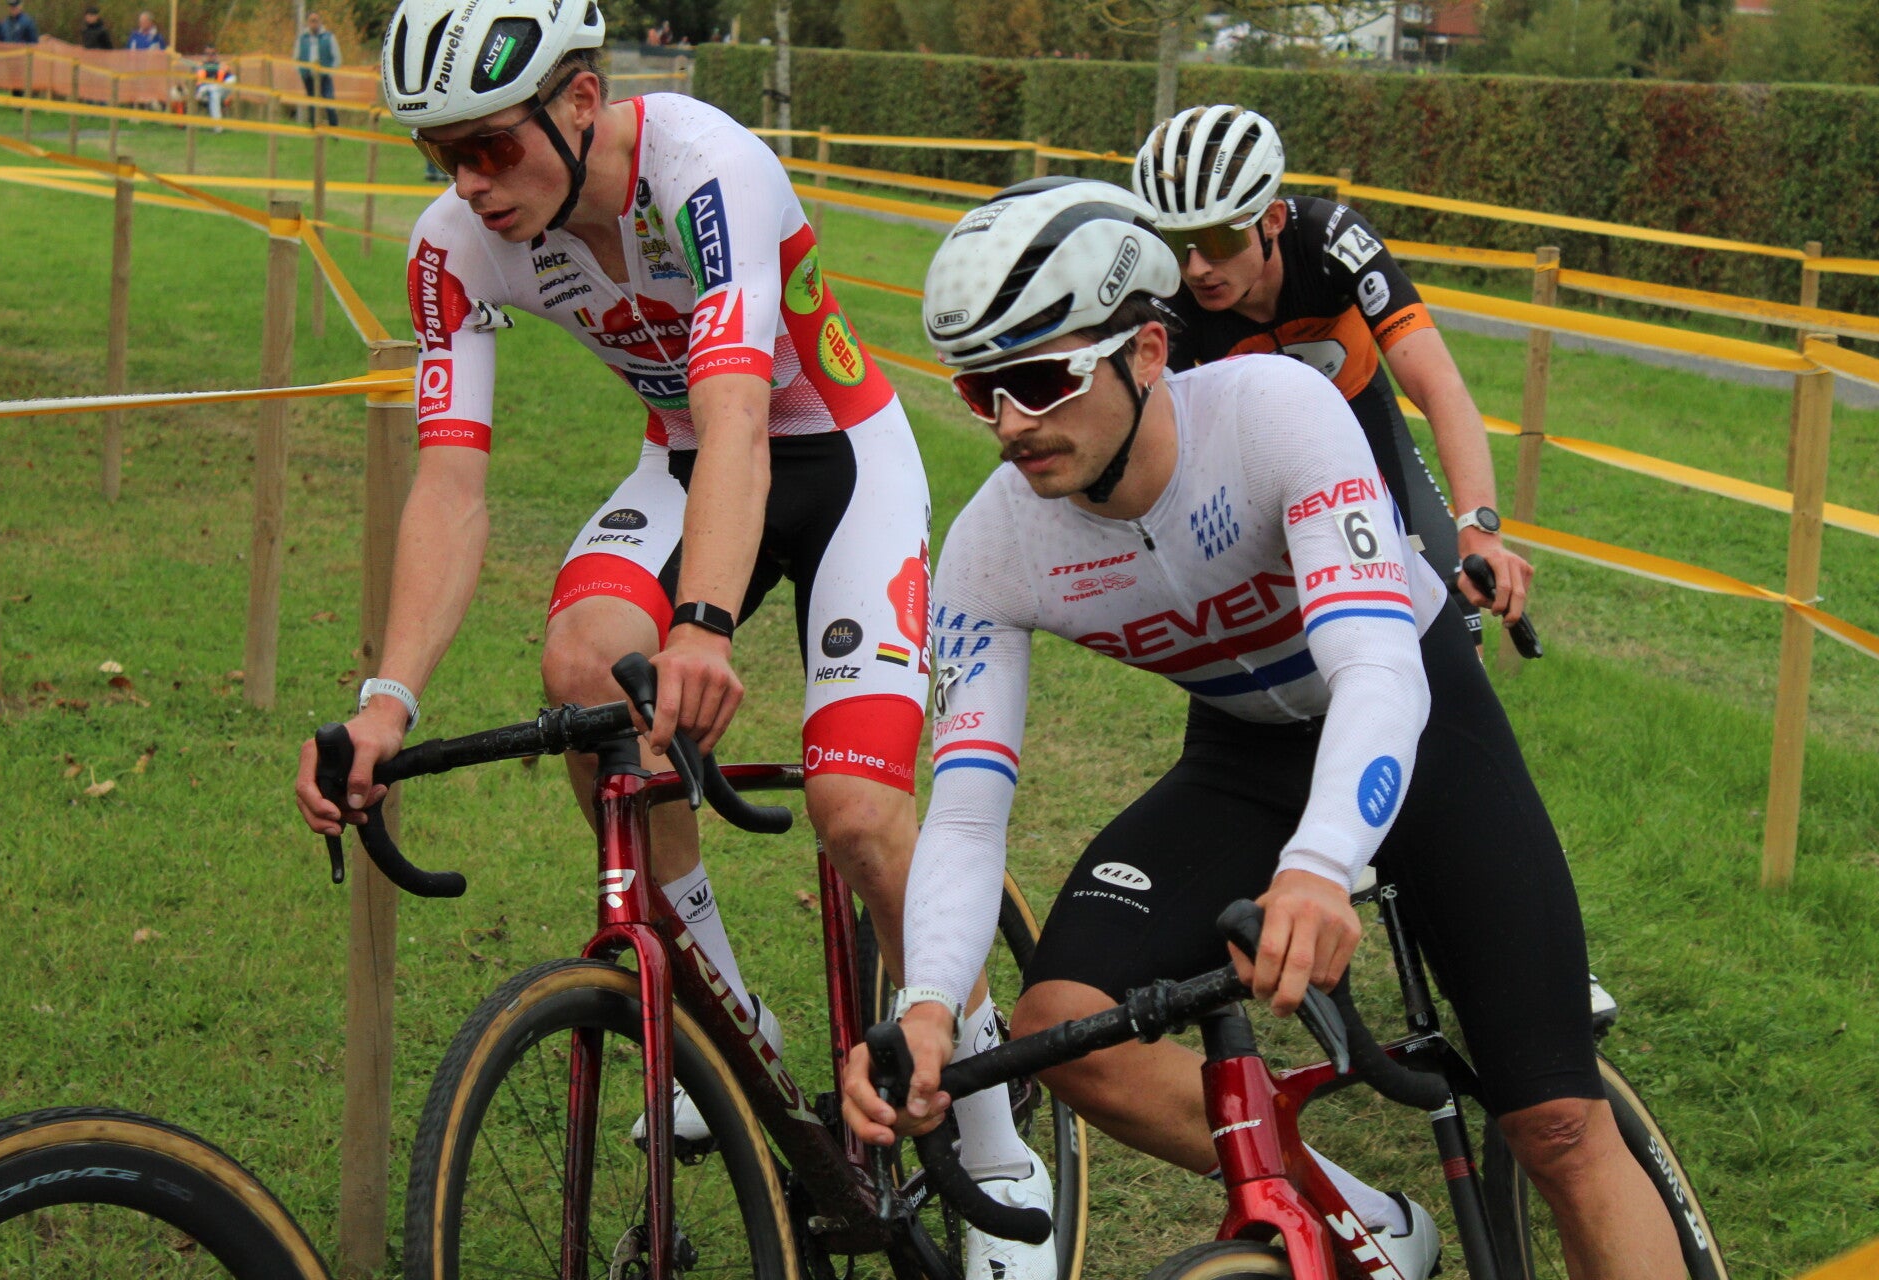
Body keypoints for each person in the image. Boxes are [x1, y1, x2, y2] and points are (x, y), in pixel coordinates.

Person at [293, 4, 1039, 1274]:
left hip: (838, 462)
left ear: (581, 102)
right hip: (686, 463)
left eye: (489, 146)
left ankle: (997, 1140)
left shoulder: (707, 169)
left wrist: (703, 623)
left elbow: (741, 413)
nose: (469, 183)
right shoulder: (452, 247)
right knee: (584, 670)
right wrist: (385, 700)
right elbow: (451, 485)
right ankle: (720, 1019)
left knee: (858, 813)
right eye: (440, 155)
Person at [841, 180, 1689, 1280]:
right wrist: (926, 1008)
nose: (1010, 424)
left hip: (1419, 715)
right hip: (1245, 752)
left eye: (1042, 380)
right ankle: (1367, 1219)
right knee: (1066, 1026)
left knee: (1558, 1125)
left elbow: (1376, 667)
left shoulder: (1272, 412)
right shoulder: (993, 548)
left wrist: (1320, 864)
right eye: (979, 390)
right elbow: (964, 811)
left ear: (1148, 352)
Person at [1133, 105, 1533, 647]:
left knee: (1452, 624)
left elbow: (1439, 385)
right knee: (1310, 640)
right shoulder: (1169, 292)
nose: (1198, 267)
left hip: (1365, 419)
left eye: (1219, 241)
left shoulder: (1330, 240)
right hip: (1263, 458)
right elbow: (1154, 441)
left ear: (1272, 220)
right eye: (1177, 243)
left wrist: (1480, 529)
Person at [294, 11, 340, 127]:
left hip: (325, 75)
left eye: (316, 21)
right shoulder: (302, 38)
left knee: (329, 101)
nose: (314, 23)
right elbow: (296, 58)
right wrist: (302, 71)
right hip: (308, 76)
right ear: (308, 23)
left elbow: (337, 57)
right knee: (312, 103)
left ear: (320, 22)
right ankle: (314, 128)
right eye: (311, 21)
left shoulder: (328, 37)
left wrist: (330, 72)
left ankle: (334, 129)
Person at [192, 45, 233, 129]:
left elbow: (229, 81)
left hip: (218, 92)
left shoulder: (222, 66)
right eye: (207, 54)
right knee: (208, 91)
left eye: (212, 54)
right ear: (204, 55)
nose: (210, 56)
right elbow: (192, 82)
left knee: (214, 93)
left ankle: (217, 127)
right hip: (202, 92)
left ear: (216, 54)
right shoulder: (199, 66)